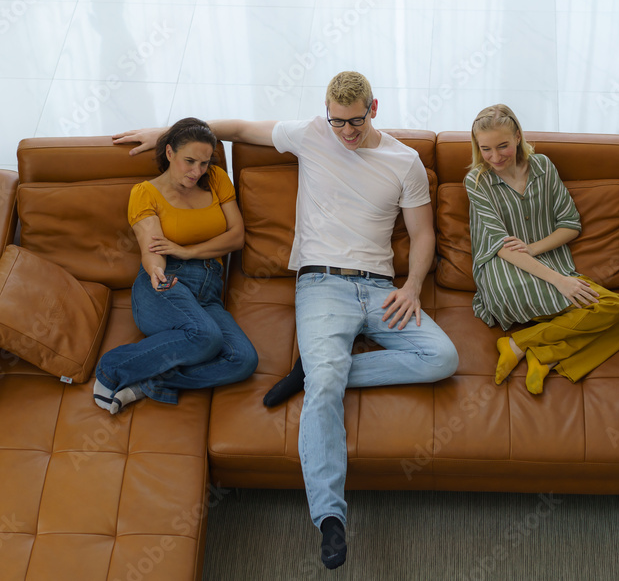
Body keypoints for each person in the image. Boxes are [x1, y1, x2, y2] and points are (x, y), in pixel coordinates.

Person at [112, 72, 459, 570]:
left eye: (355, 121)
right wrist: (169, 134)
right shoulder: (311, 134)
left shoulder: (404, 161)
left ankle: (319, 368)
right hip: (322, 286)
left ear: (374, 108)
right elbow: (239, 128)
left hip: (382, 287)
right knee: (326, 390)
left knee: (441, 358)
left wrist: (411, 287)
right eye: (338, 121)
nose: (346, 132)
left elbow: (422, 235)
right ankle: (330, 517)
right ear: (326, 113)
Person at [465, 104, 619, 395]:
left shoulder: (543, 167)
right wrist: (561, 281)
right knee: (611, 307)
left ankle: (536, 351)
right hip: (505, 274)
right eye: (485, 149)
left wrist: (534, 248)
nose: (495, 157)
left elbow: (570, 224)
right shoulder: (476, 182)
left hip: (544, 263)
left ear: (518, 137)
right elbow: (501, 247)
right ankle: (537, 350)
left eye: (503, 146)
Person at [93, 117, 258, 415]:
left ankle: (149, 384)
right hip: (167, 284)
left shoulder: (217, 178)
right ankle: (111, 369)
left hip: (208, 292)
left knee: (243, 359)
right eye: (189, 161)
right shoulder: (145, 193)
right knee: (206, 337)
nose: (197, 172)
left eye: (204, 163)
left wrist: (189, 250)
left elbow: (236, 236)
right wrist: (156, 270)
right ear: (169, 153)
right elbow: (151, 246)